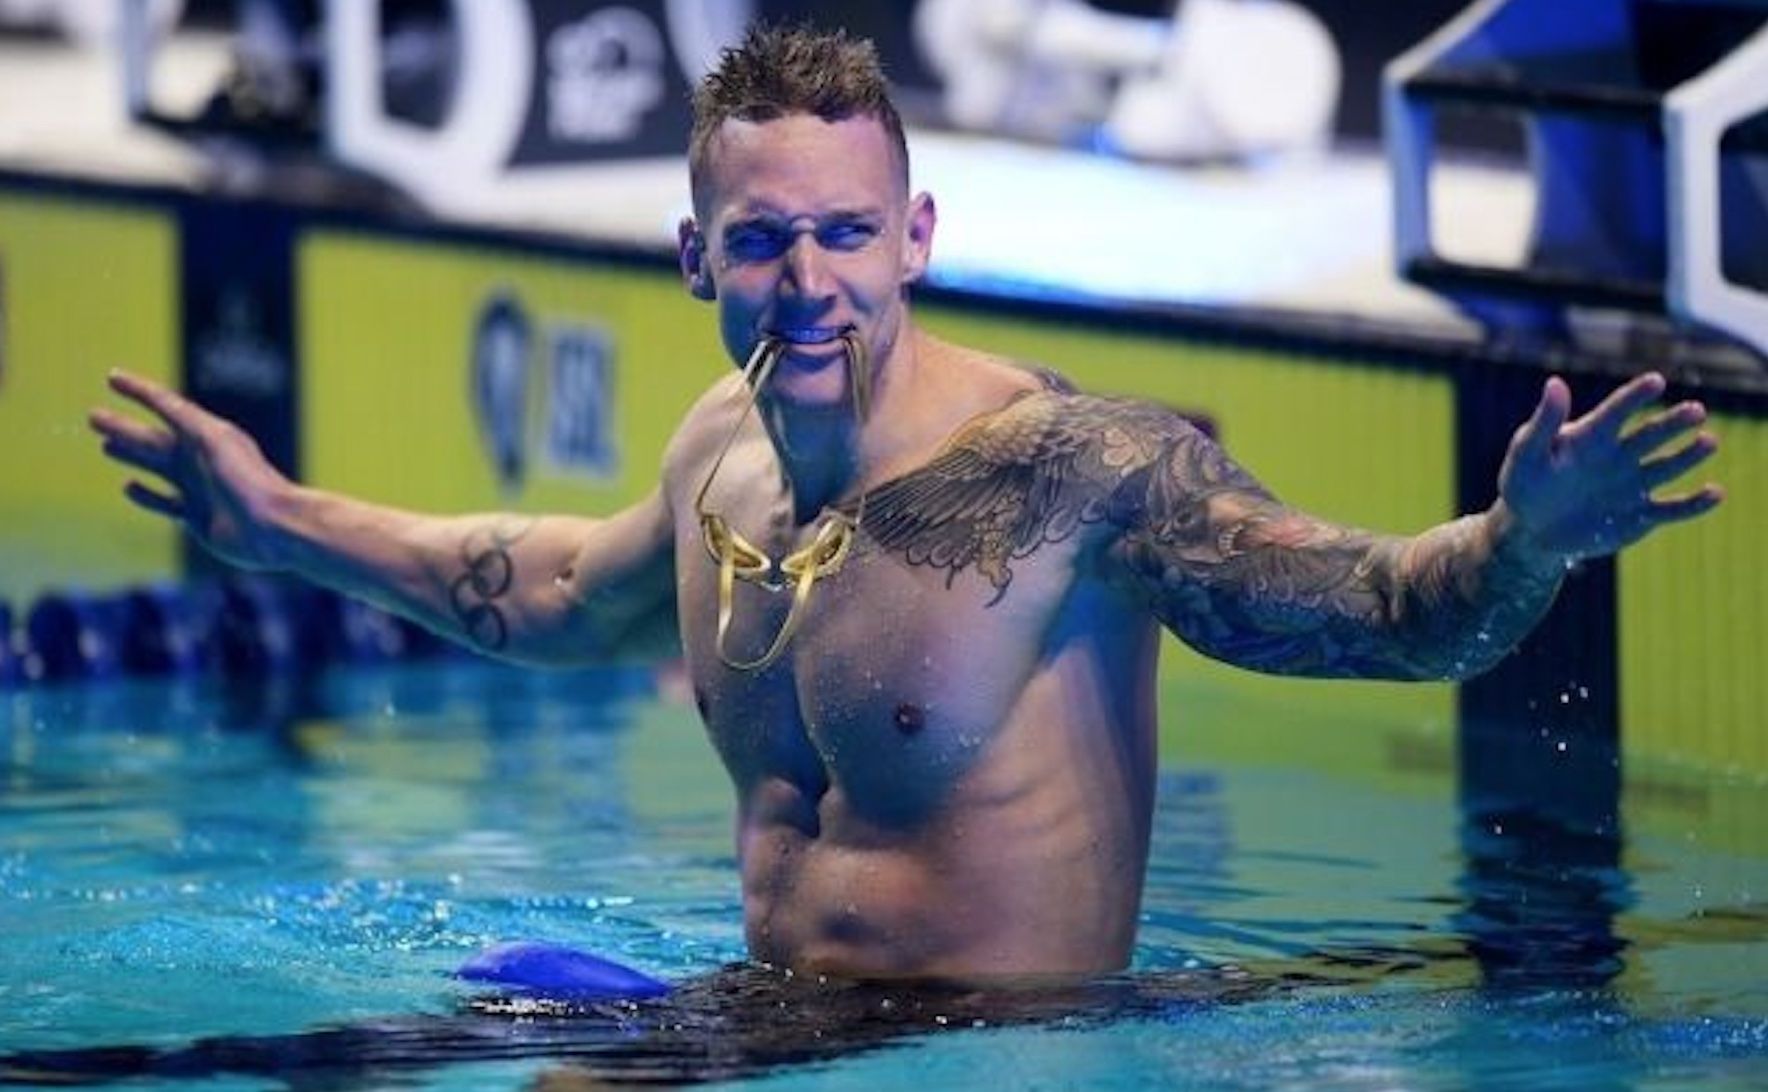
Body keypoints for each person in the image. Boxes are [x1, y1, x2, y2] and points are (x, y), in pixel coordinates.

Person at [90, 24, 1723, 985]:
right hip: (782, 1025)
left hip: (999, 1053)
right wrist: (279, 522)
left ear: (917, 236)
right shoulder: (720, 452)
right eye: (762, 242)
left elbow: (1388, 615)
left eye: (849, 235)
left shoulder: (1073, 472)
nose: (810, 284)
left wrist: (1525, 540)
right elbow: (559, 591)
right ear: (695, 259)